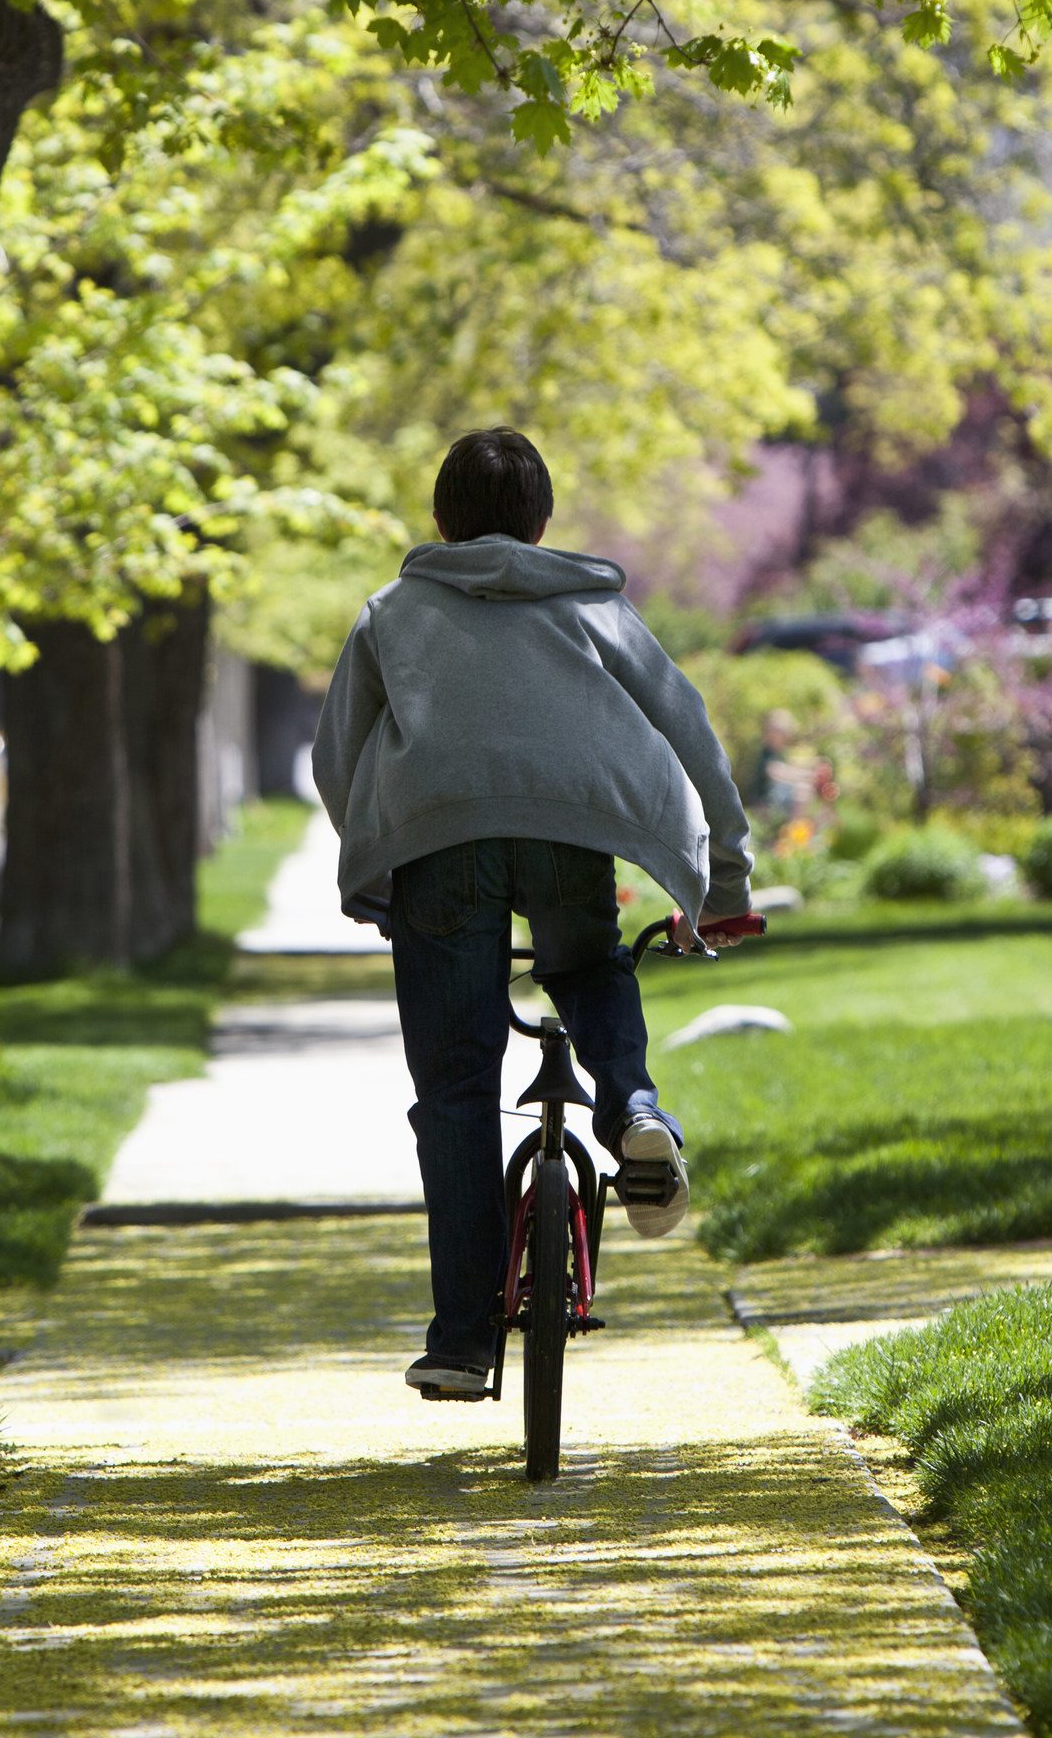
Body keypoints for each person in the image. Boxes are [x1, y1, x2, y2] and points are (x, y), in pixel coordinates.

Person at [313, 427, 752, 1400]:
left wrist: (378, 854)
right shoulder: (595, 605)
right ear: (545, 523)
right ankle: (632, 1105)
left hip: (440, 845)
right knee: (591, 965)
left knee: (458, 1090)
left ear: (439, 520)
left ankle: (464, 1342)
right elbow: (687, 724)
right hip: (570, 828)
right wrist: (724, 880)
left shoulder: (392, 611)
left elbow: (335, 759)